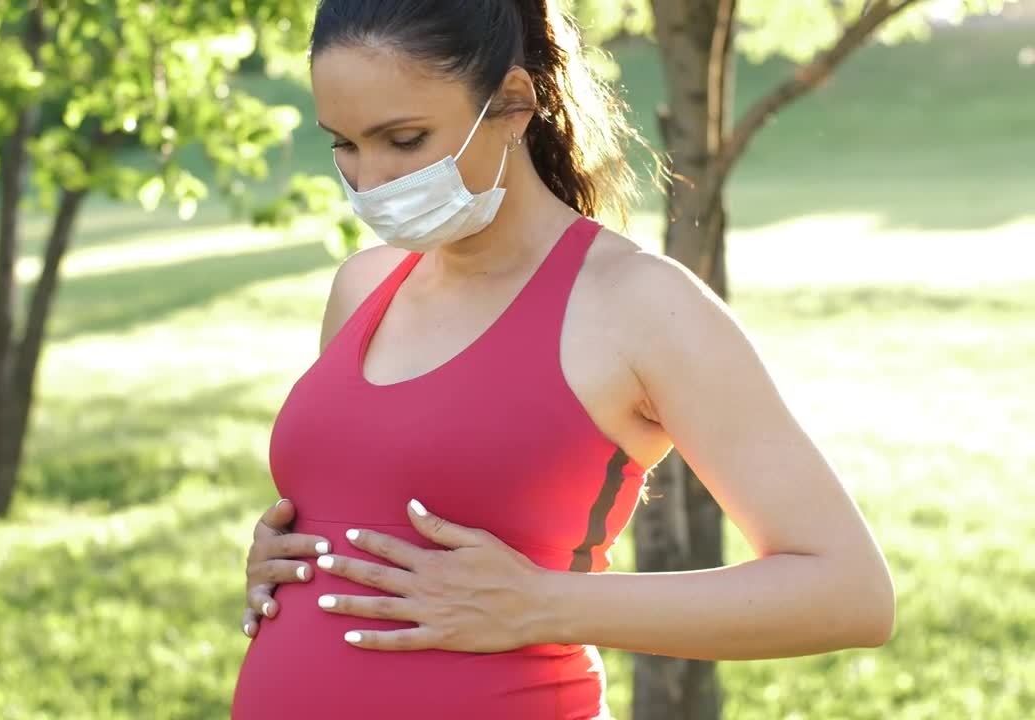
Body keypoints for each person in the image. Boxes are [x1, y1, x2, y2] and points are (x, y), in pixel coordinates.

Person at [231, 1, 896, 718]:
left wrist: (542, 604)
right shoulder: (362, 286)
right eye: (346, 144)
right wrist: (290, 560)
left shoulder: (638, 304)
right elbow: (369, 503)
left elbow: (849, 591)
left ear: (514, 103)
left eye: (404, 139)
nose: (371, 181)